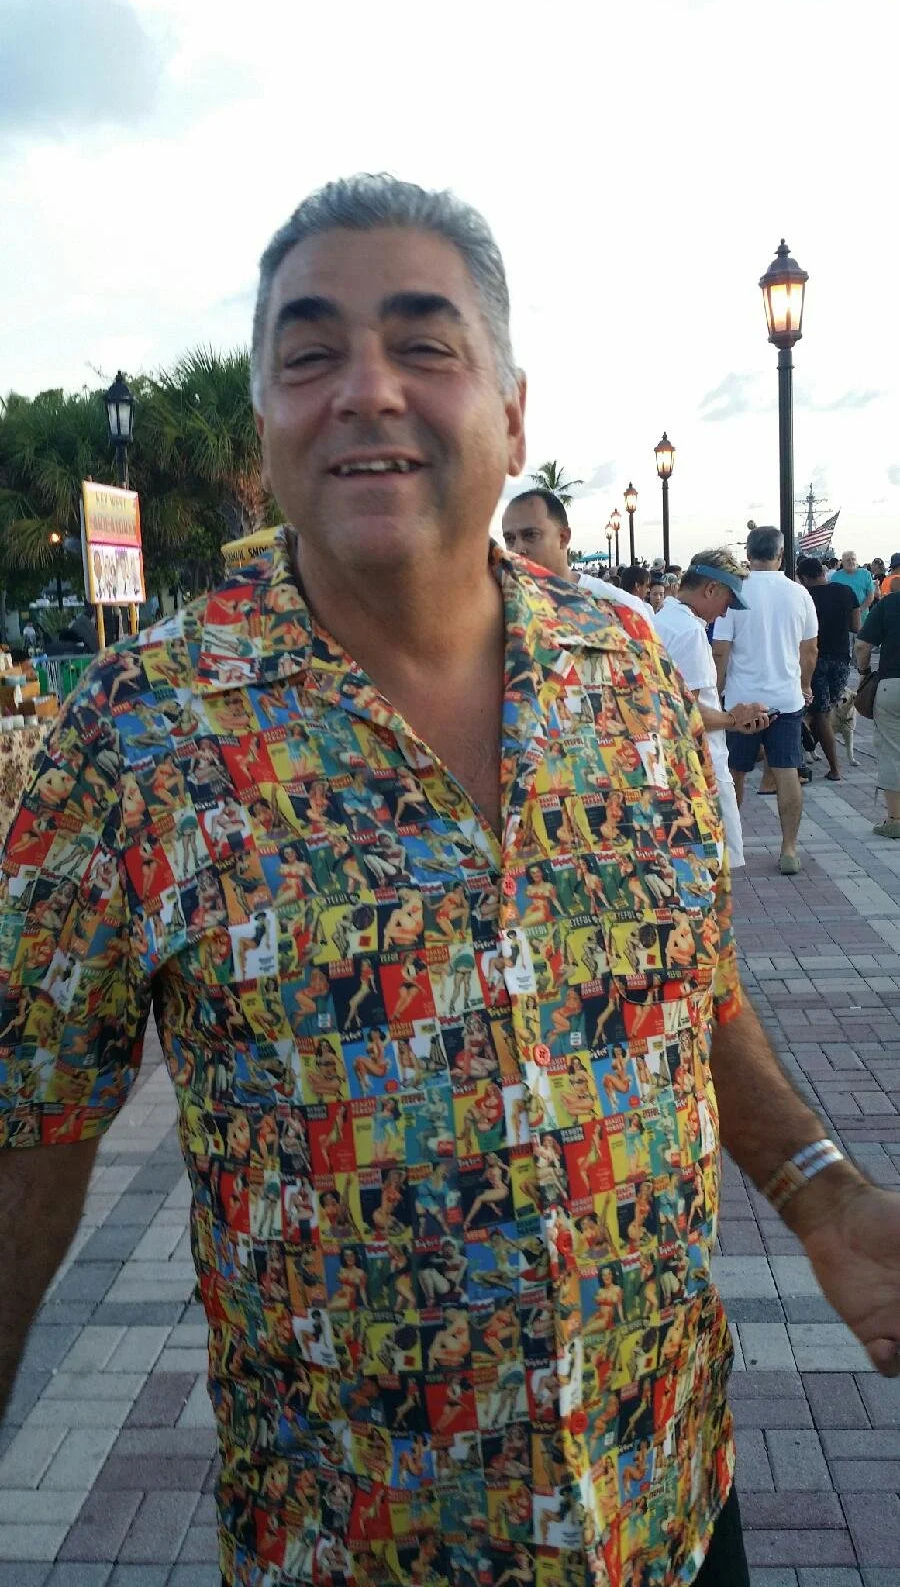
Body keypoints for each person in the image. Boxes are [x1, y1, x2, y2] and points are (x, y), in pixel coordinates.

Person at [1, 175, 899, 1587]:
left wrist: (819, 1190)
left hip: (663, 1498)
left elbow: (685, 985)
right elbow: (31, 1126)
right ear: (267, 422)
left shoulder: (624, 677)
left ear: (514, 416)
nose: (366, 388)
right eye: (311, 353)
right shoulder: (138, 735)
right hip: (354, 1539)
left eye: (423, 344)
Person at [713, 526, 818, 875]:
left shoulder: (736, 593)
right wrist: (804, 685)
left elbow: (721, 651)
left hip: (741, 702)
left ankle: (729, 845)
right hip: (785, 699)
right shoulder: (799, 594)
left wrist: (717, 691)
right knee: (787, 772)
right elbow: (810, 651)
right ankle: (789, 849)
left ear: (748, 553)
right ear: (781, 554)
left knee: (734, 773)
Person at [655, 548, 769, 870]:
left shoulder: (662, 620)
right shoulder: (690, 632)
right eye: (728, 601)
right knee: (715, 866)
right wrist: (734, 719)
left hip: (671, 764)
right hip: (700, 767)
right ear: (710, 590)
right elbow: (686, 712)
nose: (725, 612)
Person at [501, 488, 655, 628]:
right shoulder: (503, 608)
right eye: (510, 539)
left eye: (530, 535)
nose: (518, 549)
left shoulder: (625, 610)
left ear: (563, 537)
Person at [796, 556, 860, 782]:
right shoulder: (845, 591)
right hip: (841, 658)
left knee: (819, 713)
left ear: (803, 578)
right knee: (825, 708)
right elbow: (856, 626)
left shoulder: (803, 596)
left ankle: (834, 768)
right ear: (823, 572)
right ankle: (809, 737)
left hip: (814, 657)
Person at [856, 588, 900, 836]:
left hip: (893, 685)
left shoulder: (890, 603)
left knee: (893, 752)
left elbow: (862, 646)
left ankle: (895, 820)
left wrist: (863, 673)